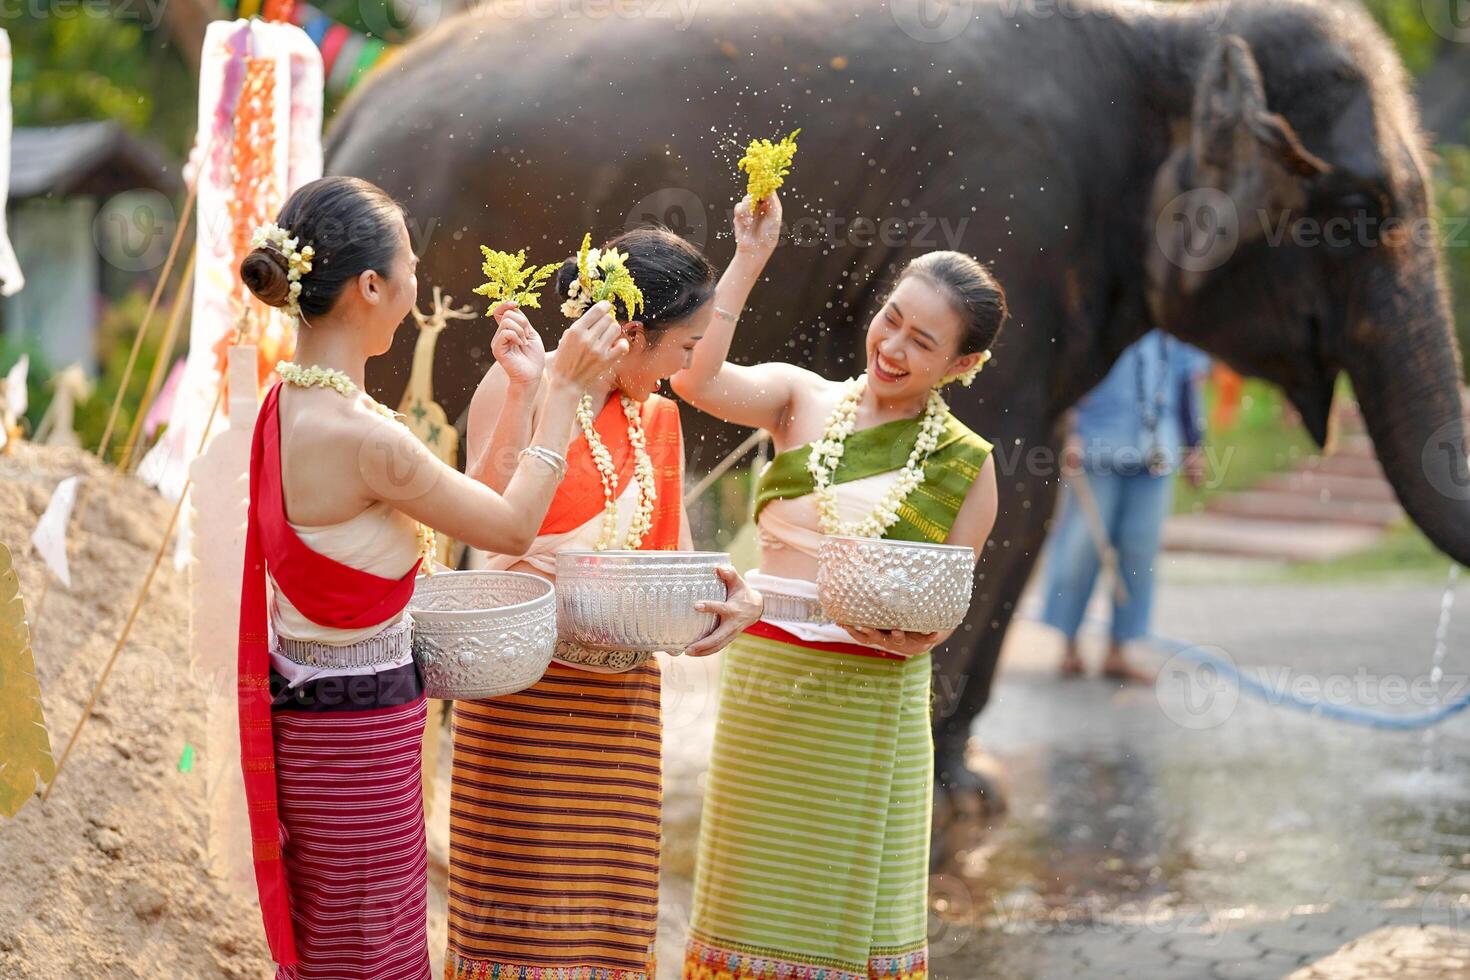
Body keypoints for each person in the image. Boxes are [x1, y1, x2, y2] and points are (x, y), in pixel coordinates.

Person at [236, 175, 627, 979]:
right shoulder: (360, 434)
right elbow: (511, 526)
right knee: (369, 952)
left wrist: (521, 392)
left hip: (328, 718)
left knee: (348, 940)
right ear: (372, 285)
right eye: (410, 265)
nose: (418, 286)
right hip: (354, 736)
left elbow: (454, 505)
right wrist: (563, 391)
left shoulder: (298, 403)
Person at [670, 192, 1003, 980]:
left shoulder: (969, 463)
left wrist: (920, 635)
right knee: (749, 903)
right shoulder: (799, 397)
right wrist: (749, 258)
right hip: (767, 678)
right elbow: (695, 376)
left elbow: (943, 603)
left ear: (963, 366)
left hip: (872, 696)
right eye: (892, 318)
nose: (891, 346)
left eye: (922, 343)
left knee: (845, 912)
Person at [447, 226, 765, 980]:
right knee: (520, 928)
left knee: (608, 930)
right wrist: (537, 394)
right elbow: (481, 525)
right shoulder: (517, 383)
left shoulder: (658, 417)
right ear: (628, 334)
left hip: (622, 705)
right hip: (524, 695)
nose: (689, 364)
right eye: (683, 347)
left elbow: (677, 561)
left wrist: (734, 598)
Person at [1039, 328, 1210, 682]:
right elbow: (1071, 379)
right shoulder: (1106, 318)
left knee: (1139, 553)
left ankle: (1120, 649)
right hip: (1098, 446)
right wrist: (1068, 433)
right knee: (1081, 547)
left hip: (1155, 453)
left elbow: (1185, 387)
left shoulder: (1174, 327)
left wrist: (1195, 445)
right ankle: (1068, 644)